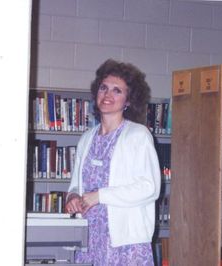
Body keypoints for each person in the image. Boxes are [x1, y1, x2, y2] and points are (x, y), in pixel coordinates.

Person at [65, 59, 161, 265]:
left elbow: (149, 188)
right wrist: (72, 196)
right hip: (89, 239)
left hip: (125, 244)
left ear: (128, 100)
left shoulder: (138, 135)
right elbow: (75, 184)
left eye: (117, 90)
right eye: (104, 88)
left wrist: (100, 196)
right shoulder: (87, 138)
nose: (108, 95)